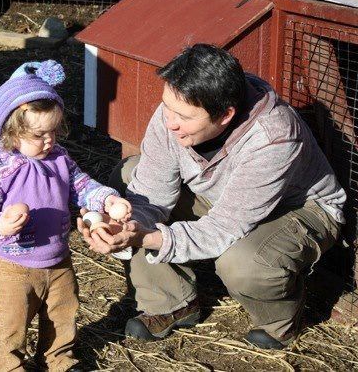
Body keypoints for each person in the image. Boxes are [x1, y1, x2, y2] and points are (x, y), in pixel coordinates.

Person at [78, 44, 346, 350]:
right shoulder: (178, 107)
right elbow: (151, 190)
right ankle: (172, 301)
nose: (170, 122)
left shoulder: (273, 138)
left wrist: (147, 238)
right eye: (167, 107)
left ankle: (279, 321)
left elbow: (224, 226)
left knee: (244, 263)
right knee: (129, 180)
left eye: (184, 116)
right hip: (221, 196)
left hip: (295, 208)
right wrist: (127, 225)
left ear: (225, 115)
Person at [0, 59, 131, 371]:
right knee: (13, 321)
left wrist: (108, 199)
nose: (49, 141)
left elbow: (81, 185)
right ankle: (8, 365)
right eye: (39, 135)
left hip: (57, 256)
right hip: (11, 261)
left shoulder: (58, 158)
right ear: (9, 131)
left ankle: (58, 359)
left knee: (62, 311)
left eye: (54, 131)